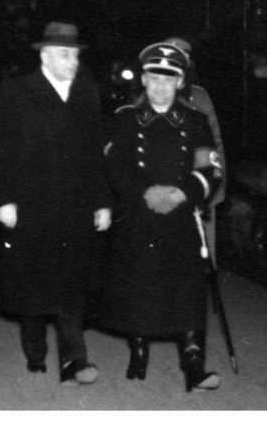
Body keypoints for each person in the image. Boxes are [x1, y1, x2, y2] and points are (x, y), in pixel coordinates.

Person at [0, 21, 112, 386]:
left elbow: (95, 153)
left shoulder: (87, 92)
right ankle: (35, 349)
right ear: (44, 55)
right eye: (63, 54)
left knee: (72, 281)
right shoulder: (17, 90)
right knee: (32, 282)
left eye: (74, 54)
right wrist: (4, 200)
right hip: (30, 204)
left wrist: (102, 202)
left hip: (74, 204)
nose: (71, 61)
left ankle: (74, 359)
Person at [99, 42, 223, 391]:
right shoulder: (125, 118)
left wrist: (184, 192)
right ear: (144, 79)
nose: (160, 86)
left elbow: (210, 169)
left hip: (181, 218)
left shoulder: (195, 121)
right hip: (139, 216)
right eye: (154, 78)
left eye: (169, 80)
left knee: (186, 289)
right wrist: (145, 192)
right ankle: (139, 352)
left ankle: (193, 364)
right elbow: (114, 165)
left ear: (180, 82)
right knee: (140, 287)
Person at [165, 36, 227, 266]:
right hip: (165, 189)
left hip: (198, 187)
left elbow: (216, 143)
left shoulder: (199, 96)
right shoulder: (152, 92)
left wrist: (217, 188)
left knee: (202, 259)